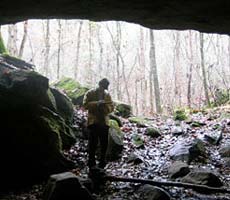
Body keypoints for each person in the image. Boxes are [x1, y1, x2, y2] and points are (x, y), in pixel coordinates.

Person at [83, 78, 114, 169]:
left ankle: (102, 160)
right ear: (99, 85)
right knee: (93, 142)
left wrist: (105, 107)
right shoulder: (90, 93)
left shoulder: (107, 95)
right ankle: (91, 161)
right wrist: (97, 104)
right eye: (102, 87)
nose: (103, 89)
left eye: (105, 88)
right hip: (93, 121)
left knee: (104, 142)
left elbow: (111, 107)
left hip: (104, 122)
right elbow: (85, 105)